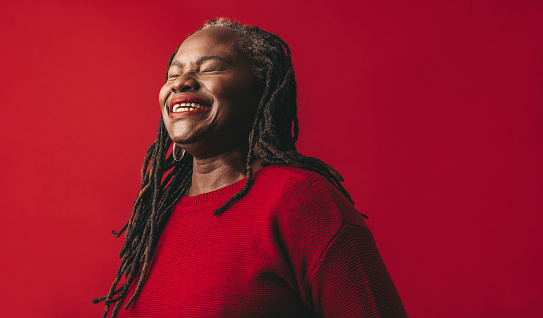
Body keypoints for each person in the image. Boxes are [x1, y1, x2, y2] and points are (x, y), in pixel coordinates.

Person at [93, 18, 407, 318]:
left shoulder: (299, 201)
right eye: (173, 74)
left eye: (210, 68)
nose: (181, 83)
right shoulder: (158, 214)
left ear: (261, 92)